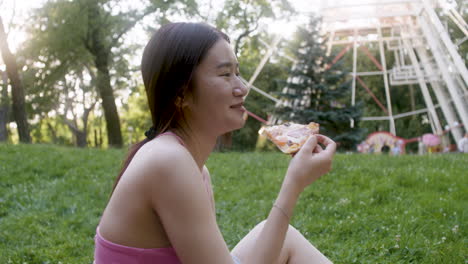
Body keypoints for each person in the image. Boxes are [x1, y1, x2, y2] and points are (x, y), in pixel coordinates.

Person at [94, 22, 336, 264]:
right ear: (181, 95)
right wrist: (294, 183)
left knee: (284, 237)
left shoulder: (195, 168)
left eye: (238, 73)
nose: (243, 88)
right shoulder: (168, 161)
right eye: (225, 74)